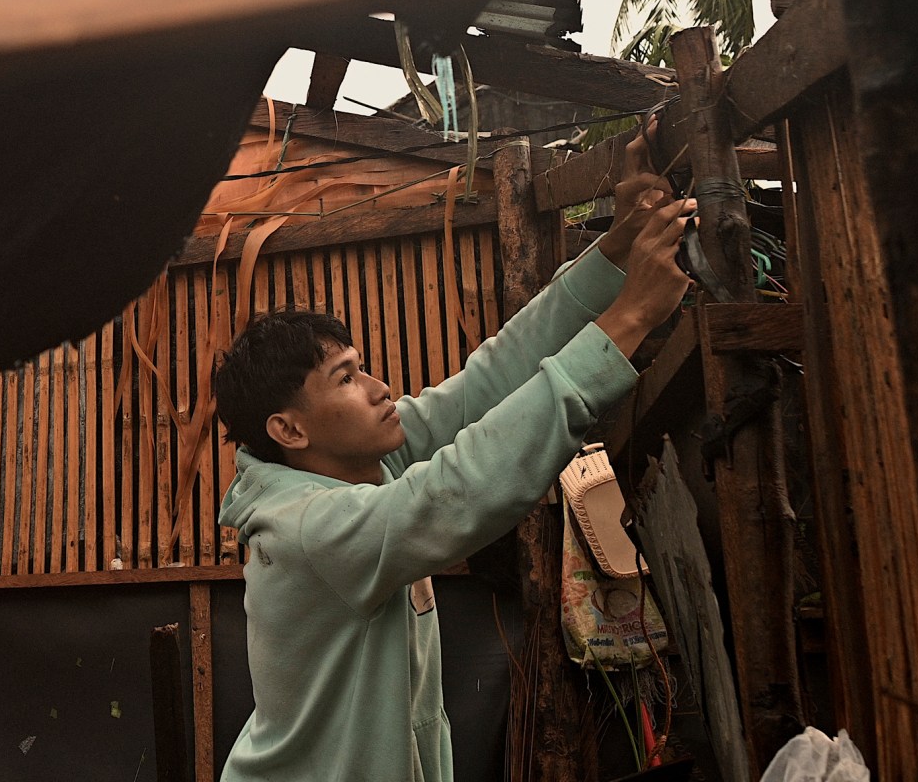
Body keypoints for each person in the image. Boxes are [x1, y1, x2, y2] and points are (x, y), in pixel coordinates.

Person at [211, 124, 695, 782]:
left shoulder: (361, 468)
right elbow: (462, 488)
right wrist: (630, 318)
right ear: (290, 431)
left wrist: (617, 249)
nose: (381, 388)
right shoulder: (310, 531)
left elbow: (489, 385)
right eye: (347, 379)